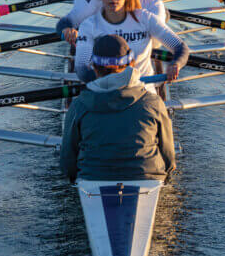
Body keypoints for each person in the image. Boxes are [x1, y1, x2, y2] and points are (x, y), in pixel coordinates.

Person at [60, 34, 175, 183]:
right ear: (132, 63)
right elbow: (168, 155)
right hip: (148, 176)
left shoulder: (79, 105)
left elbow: (67, 159)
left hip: (93, 178)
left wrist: (73, 177)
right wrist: (167, 175)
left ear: (94, 67)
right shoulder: (153, 102)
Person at [67, 0, 188, 88]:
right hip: (105, 92)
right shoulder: (89, 25)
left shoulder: (145, 18)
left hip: (142, 92)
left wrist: (175, 64)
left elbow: (180, 47)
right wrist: (108, 82)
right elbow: (81, 68)